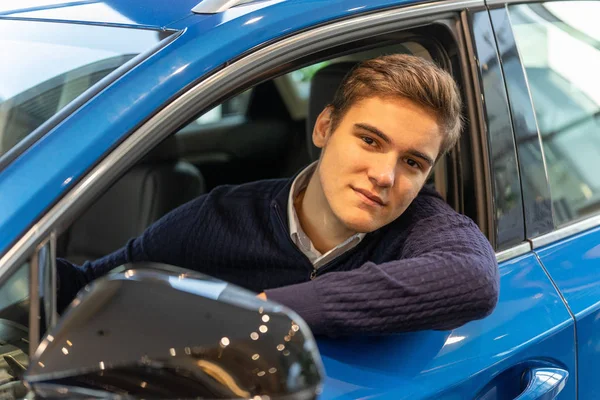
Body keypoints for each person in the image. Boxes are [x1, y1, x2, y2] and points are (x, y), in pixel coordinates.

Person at [56, 54, 499, 336]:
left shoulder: (424, 225)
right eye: (369, 140)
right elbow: (88, 286)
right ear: (324, 127)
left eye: (412, 163)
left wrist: (265, 311)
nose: (385, 175)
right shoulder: (222, 217)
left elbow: (474, 280)